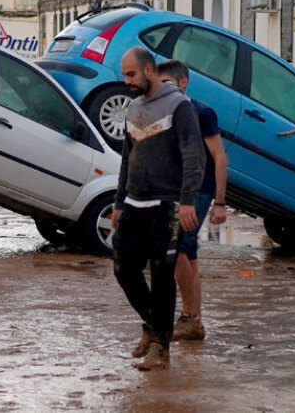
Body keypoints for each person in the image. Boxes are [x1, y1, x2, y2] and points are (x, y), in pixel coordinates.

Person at [111, 47, 205, 370]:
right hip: (134, 204)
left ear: (149, 70)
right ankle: (153, 326)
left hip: (167, 206)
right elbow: (127, 158)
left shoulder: (179, 106)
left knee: (163, 276)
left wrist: (188, 201)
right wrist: (118, 202)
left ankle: (161, 350)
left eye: (131, 74)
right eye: (125, 75)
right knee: (124, 269)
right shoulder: (132, 108)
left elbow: (195, 157)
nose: (127, 82)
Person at [156, 59, 229, 342]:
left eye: (167, 84)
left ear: (182, 83)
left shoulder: (201, 112)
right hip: (175, 191)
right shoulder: (165, 112)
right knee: (188, 254)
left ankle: (188, 316)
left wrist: (220, 203)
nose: (161, 90)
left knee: (177, 252)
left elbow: (220, 157)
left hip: (198, 191)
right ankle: (194, 322)